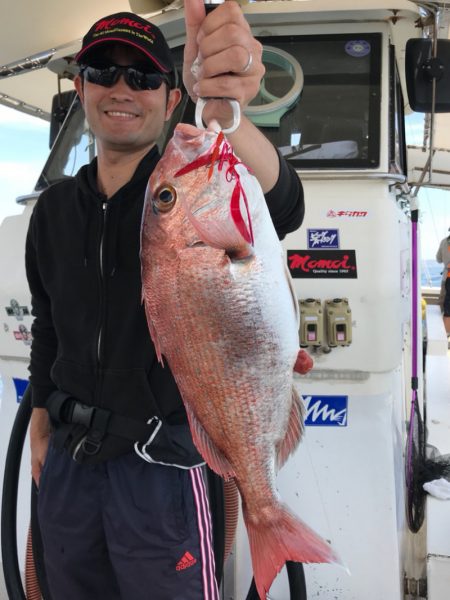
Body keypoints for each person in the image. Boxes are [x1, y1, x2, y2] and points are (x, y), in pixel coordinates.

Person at [26, 3, 304, 600]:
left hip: (162, 469)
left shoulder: (186, 188)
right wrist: (41, 424)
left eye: (146, 76)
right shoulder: (50, 211)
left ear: (172, 97)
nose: (123, 89)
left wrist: (228, 112)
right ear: (80, 87)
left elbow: (283, 204)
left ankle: (268, 517)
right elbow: (47, 328)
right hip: (70, 463)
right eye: (104, 72)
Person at [436, 227, 450, 335]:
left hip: (446, 278)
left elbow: (438, 259)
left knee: (443, 304)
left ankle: (442, 332)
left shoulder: (444, 242)